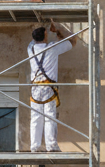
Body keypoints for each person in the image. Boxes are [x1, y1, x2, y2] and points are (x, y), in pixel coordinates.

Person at [28, 20, 73, 152]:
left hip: (35, 88)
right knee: (49, 117)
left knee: (35, 118)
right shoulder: (52, 48)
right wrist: (58, 30)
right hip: (48, 88)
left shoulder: (30, 49)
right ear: (45, 35)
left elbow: (34, 38)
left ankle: (35, 146)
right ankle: (51, 145)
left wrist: (41, 27)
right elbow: (72, 42)